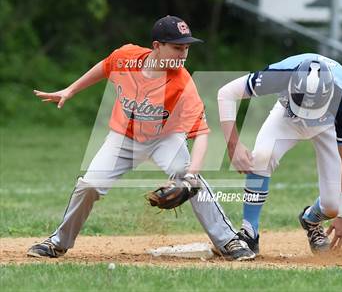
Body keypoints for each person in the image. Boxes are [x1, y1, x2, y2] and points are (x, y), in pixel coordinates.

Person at [28, 15, 255, 261]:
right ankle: (57, 243)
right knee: (90, 185)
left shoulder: (182, 82)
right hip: (123, 138)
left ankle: (228, 241)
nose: (183, 54)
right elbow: (105, 66)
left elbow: (200, 134)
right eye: (177, 47)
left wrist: (190, 176)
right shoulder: (126, 58)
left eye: (186, 48)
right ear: (157, 46)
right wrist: (70, 90)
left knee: (189, 179)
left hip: (165, 139)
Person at [217, 53, 342, 254]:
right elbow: (226, 93)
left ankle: (311, 220)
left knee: (333, 205)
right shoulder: (280, 75)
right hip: (287, 116)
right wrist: (234, 145)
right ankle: (250, 233)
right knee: (261, 157)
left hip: (329, 124)